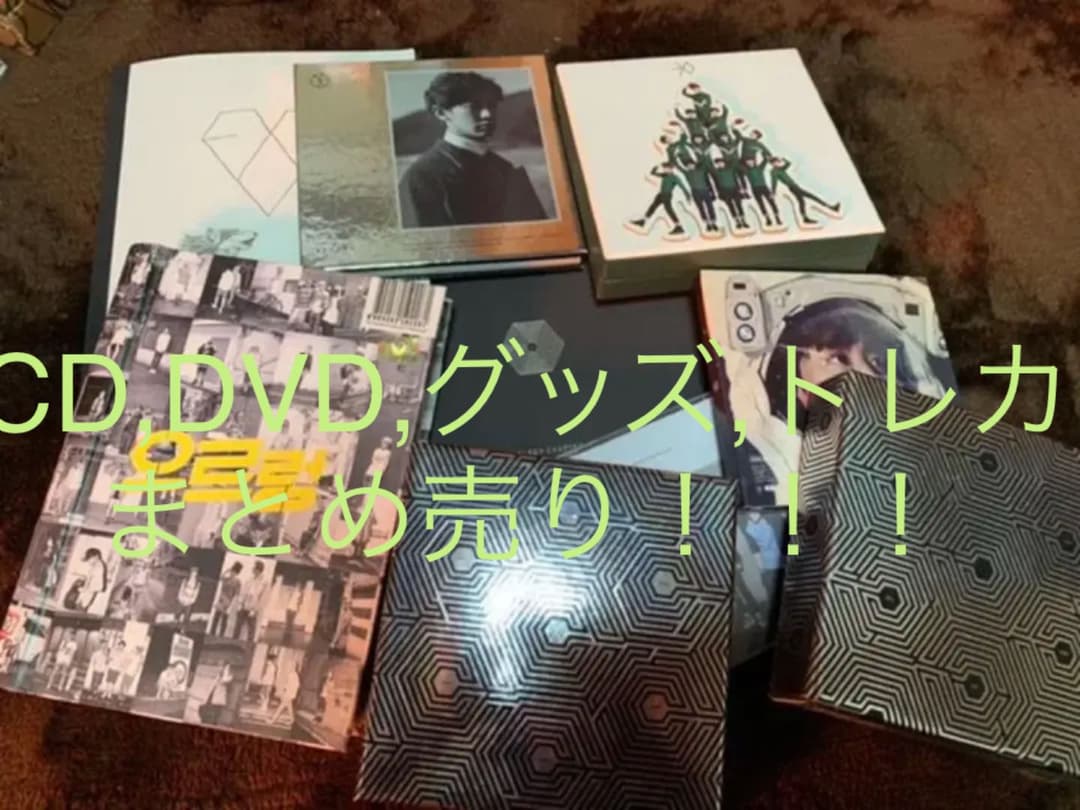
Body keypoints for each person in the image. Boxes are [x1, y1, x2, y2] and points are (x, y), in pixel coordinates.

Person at [398, 71, 548, 228]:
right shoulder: (422, 179)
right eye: (474, 106)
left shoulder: (505, 169)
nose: (487, 114)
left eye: (492, 105)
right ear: (441, 113)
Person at [769, 156, 841, 226]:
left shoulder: (781, 169)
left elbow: (789, 163)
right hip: (793, 188)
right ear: (772, 164)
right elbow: (774, 182)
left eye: (777, 162)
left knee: (801, 202)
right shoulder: (773, 172)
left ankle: (805, 218)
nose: (777, 163)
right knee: (812, 197)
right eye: (775, 162)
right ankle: (831, 208)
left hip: (795, 187)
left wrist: (782, 159)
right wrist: (773, 192)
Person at [627, 162, 690, 239]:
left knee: (669, 210)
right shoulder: (664, 175)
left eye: (666, 168)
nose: (665, 170)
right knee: (652, 206)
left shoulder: (675, 177)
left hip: (667, 195)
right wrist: (656, 166)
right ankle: (643, 221)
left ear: (671, 169)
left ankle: (679, 227)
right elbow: (653, 173)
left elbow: (682, 186)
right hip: (660, 194)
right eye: (664, 168)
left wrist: (687, 196)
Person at [234, 561, 269, 642]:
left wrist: (255, 609)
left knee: (251, 630)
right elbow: (243, 592)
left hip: (253, 609)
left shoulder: (264, 582)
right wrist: (240, 603)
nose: (252, 569)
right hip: (243, 606)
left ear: (258, 570)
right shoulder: (249, 579)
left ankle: (249, 645)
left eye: (254, 567)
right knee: (237, 627)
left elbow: (263, 598)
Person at [744, 154, 781, 228]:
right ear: (746, 163)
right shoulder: (746, 171)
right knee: (761, 204)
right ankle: (767, 219)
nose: (750, 163)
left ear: (754, 161)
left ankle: (777, 217)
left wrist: (766, 155)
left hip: (764, 187)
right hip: (755, 189)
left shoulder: (759, 168)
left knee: (771, 202)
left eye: (751, 161)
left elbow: (765, 161)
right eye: (748, 162)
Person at [210, 562, 242, 637]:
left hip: (228, 602)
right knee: (216, 619)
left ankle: (221, 635)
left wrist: (231, 606)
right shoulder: (226, 579)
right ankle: (212, 634)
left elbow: (236, 595)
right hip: (221, 600)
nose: (232, 573)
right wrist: (227, 571)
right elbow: (220, 577)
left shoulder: (237, 582)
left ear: (237, 573)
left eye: (234, 572)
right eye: (232, 571)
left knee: (224, 621)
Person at [269, 661, 301, 727]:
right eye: (289, 665)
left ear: (294, 667)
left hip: (289, 694)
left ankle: (273, 720)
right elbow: (289, 684)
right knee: (289, 708)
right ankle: (292, 720)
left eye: (291, 665)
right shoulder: (292, 674)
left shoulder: (294, 675)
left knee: (281, 707)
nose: (289, 667)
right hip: (288, 693)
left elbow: (296, 686)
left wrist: (291, 694)